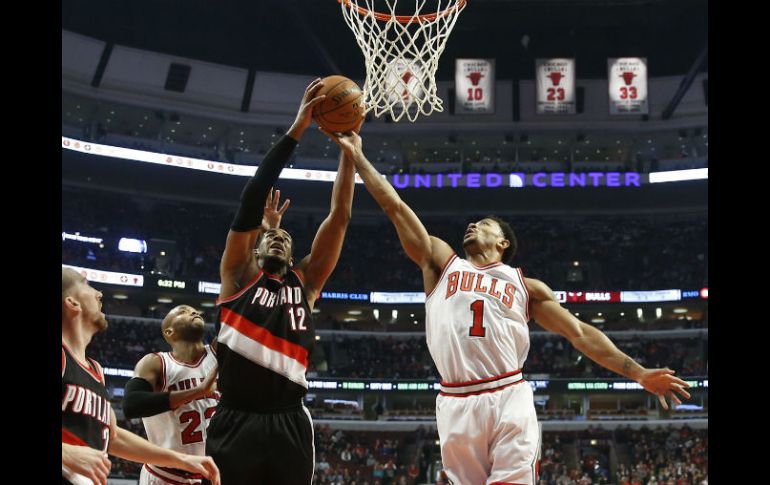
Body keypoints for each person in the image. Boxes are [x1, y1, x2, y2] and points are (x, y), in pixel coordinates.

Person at [323, 129, 692, 485]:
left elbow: (579, 334)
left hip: (507, 394)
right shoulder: (441, 264)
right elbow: (395, 206)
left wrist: (639, 373)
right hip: (454, 400)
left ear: (502, 242)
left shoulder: (526, 287)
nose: (472, 225)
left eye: (483, 224)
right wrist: (358, 157)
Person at [204, 77, 357, 485]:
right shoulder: (236, 276)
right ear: (255, 247)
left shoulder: (304, 284)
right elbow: (252, 198)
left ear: (293, 255)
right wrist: (298, 128)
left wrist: (349, 150)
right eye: (271, 235)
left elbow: (339, 217)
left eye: (286, 237)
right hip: (234, 418)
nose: (279, 237)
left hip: (289, 421)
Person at [62, 267, 220, 485]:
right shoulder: (62, 357)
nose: (99, 293)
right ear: (72, 303)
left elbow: (114, 437)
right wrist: (65, 453)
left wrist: (183, 459)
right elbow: (132, 405)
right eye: (86, 285)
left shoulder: (95, 370)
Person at [122, 305, 219, 485]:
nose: (194, 313)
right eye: (183, 312)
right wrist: (200, 390)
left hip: (211, 475)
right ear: (169, 332)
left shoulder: (219, 353)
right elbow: (131, 405)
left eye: (195, 311)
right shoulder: (156, 363)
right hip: (165, 475)